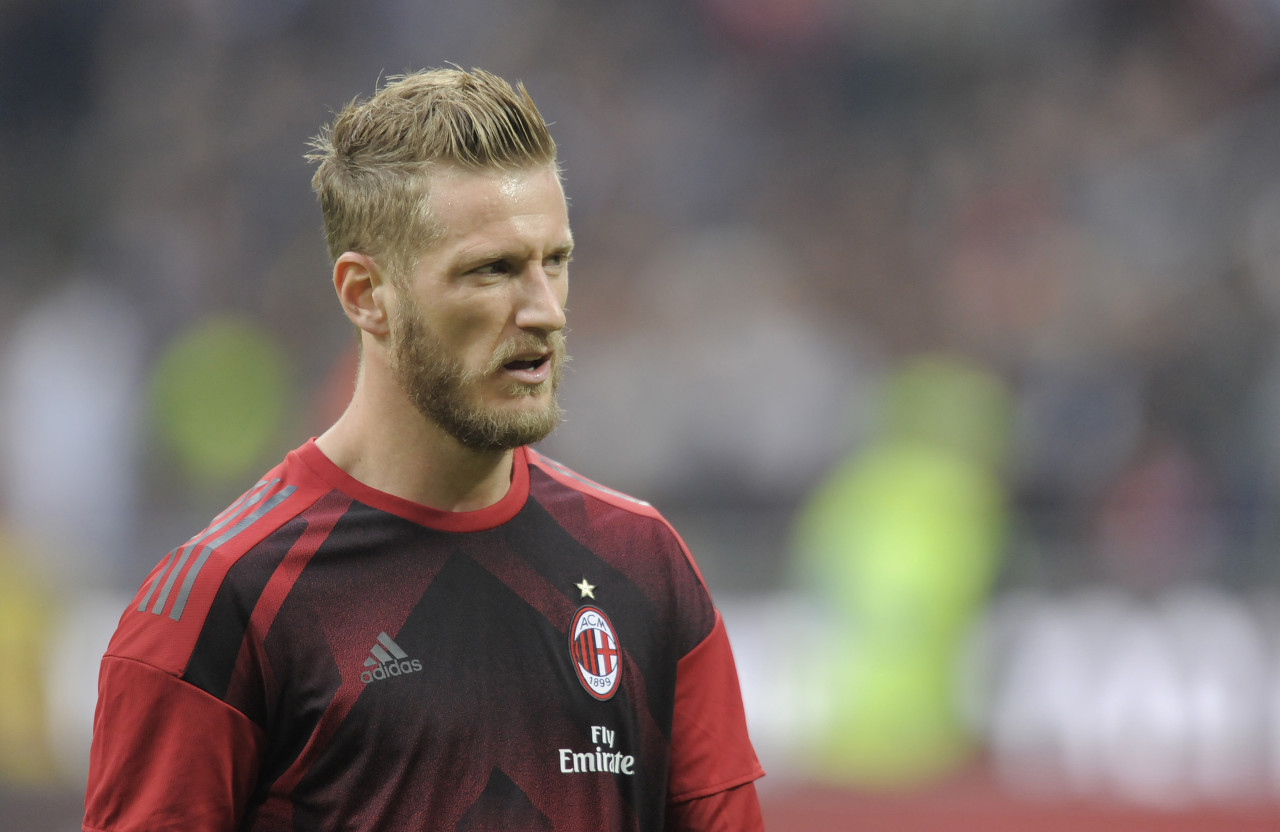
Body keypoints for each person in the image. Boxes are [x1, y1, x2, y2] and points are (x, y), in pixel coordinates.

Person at [82, 67, 765, 831]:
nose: (544, 310)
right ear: (365, 295)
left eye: (556, 261)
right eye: (492, 270)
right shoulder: (222, 604)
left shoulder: (644, 565)